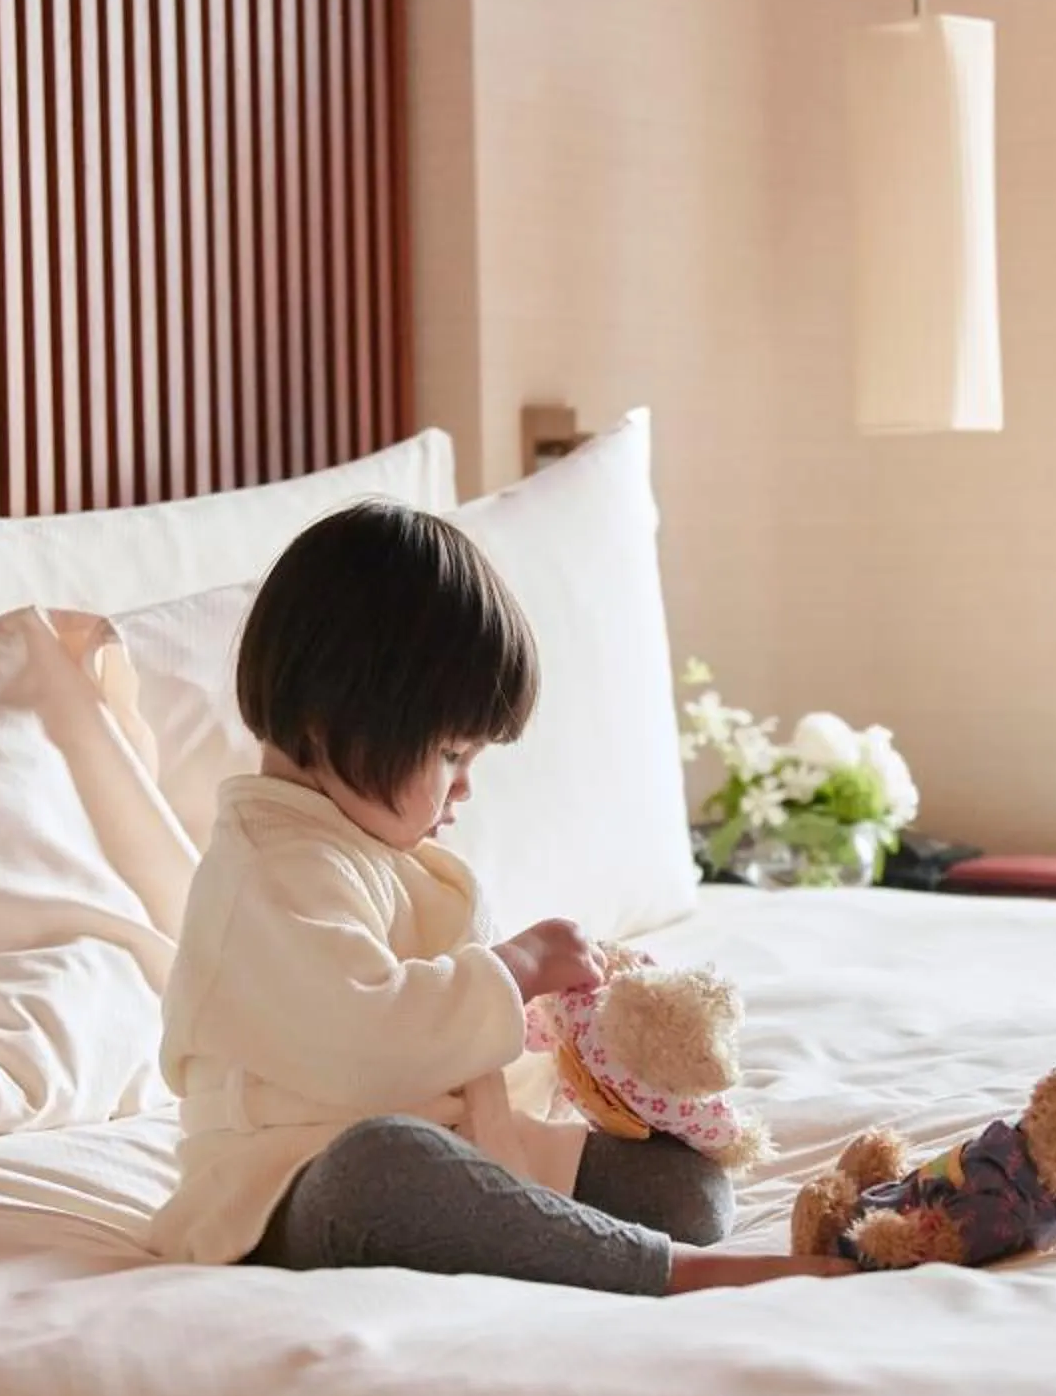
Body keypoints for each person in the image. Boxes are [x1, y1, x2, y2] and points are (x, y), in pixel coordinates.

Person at [146, 500, 851, 1293]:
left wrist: (575, 1034)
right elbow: (367, 1045)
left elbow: (456, 1038)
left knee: (685, 1191)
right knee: (386, 1167)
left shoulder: (381, 851)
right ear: (336, 715)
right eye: (451, 752)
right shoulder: (267, 870)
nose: (465, 786)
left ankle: (574, 1235)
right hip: (287, 1186)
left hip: (459, 1145)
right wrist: (513, 968)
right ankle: (655, 1271)